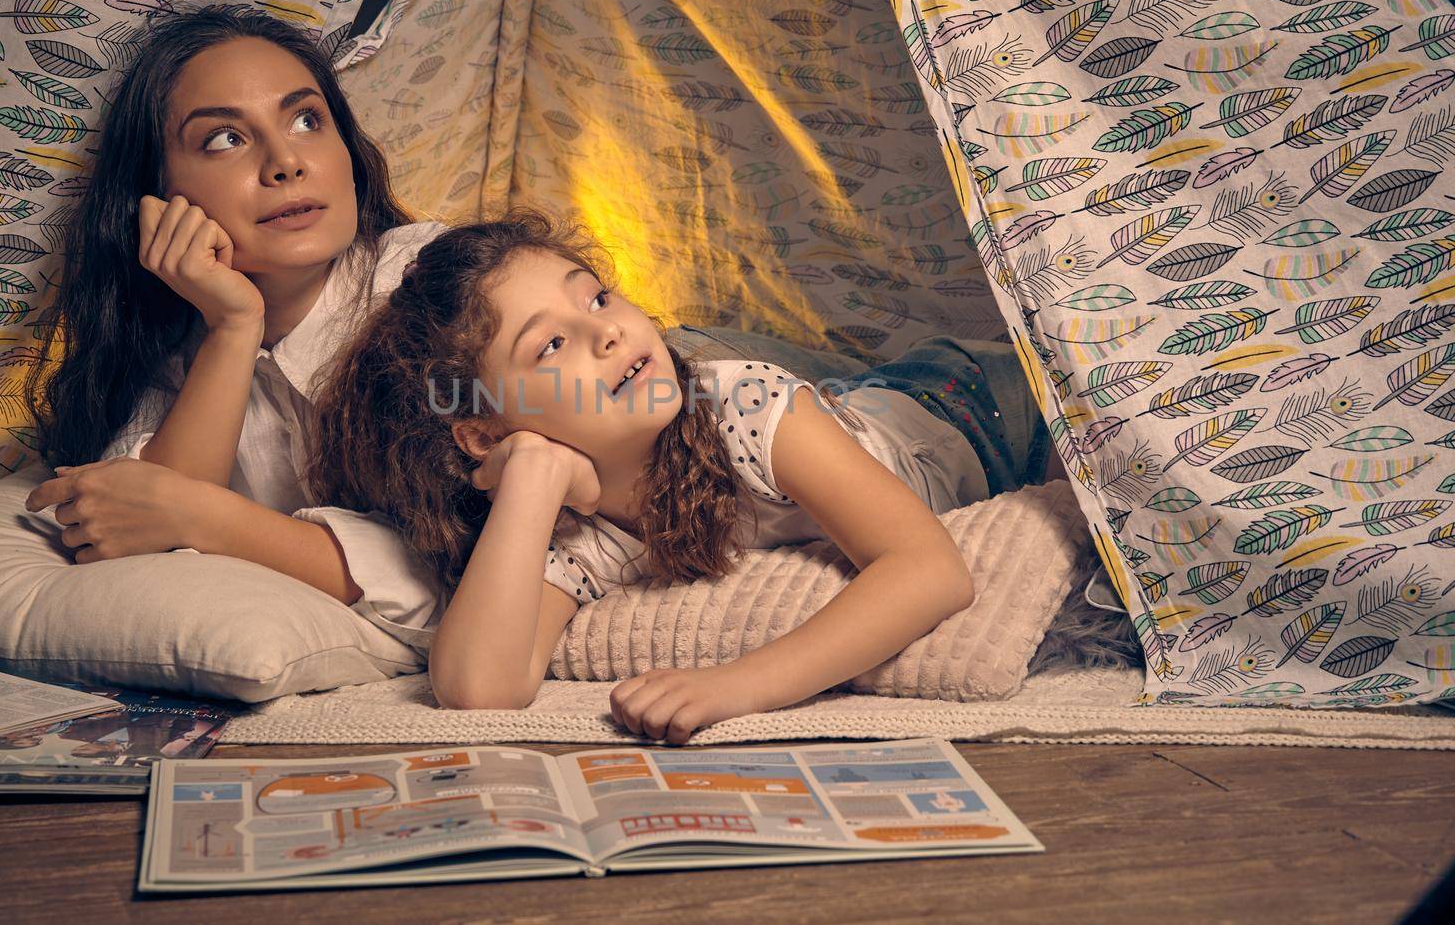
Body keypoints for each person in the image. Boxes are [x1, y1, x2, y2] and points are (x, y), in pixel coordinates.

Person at [309, 212, 1054, 743]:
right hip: (849, 398)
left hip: (976, 403)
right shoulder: (578, 528)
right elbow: (479, 687)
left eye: (596, 295)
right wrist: (531, 475)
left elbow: (931, 571)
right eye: (553, 344)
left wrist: (740, 684)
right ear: (483, 431)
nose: (608, 328)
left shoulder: (747, 406)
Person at [20, 3, 446, 646]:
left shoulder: (451, 284)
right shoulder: (178, 358)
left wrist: (206, 519)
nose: (285, 163)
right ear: (158, 196)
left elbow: (460, 578)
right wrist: (232, 326)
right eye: (225, 138)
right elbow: (137, 555)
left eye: (307, 120)